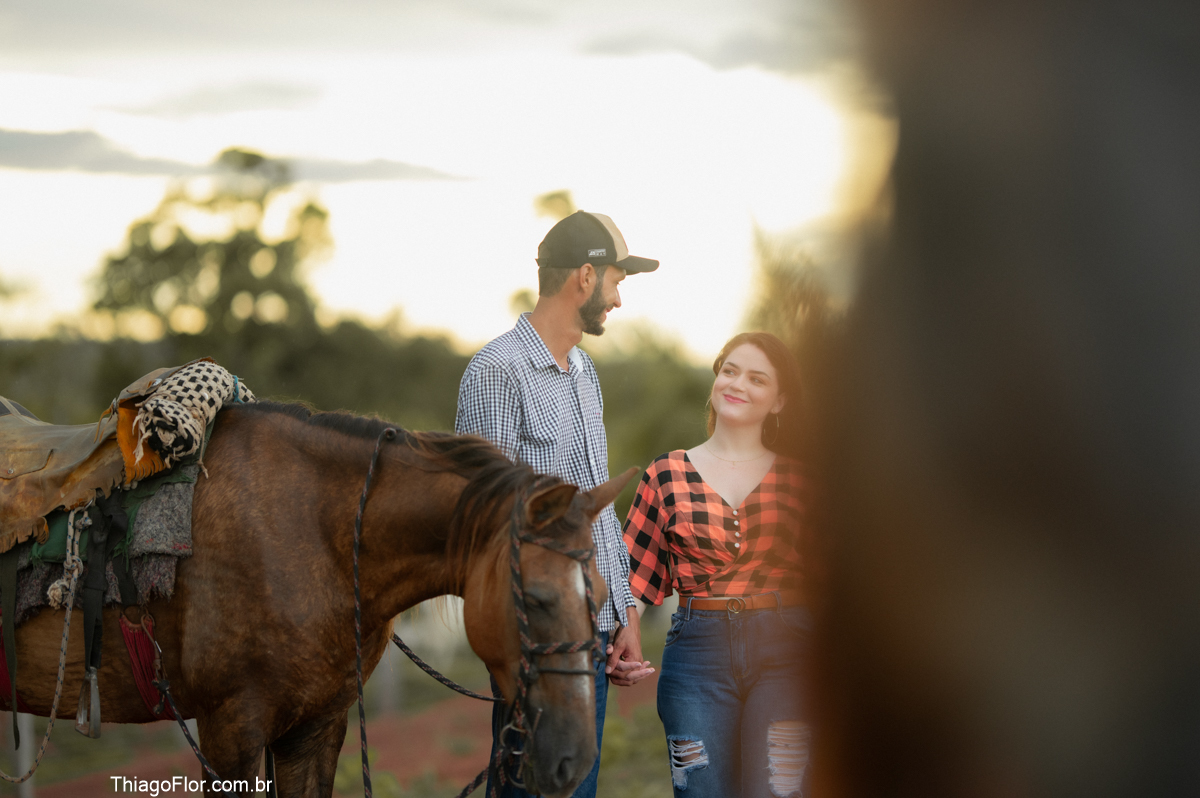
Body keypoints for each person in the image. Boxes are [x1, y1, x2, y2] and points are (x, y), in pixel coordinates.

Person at [456, 210, 659, 798]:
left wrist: (623, 613)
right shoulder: (496, 372)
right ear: (585, 278)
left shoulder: (585, 373)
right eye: (616, 282)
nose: (618, 300)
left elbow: (598, 508)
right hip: (541, 650)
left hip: (592, 639)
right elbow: (486, 527)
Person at [622, 331, 811, 798]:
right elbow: (635, 578)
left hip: (788, 654)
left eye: (757, 378)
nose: (738, 383)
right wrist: (625, 636)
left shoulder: (802, 479)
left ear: (779, 401)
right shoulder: (665, 473)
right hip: (696, 661)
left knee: (778, 792)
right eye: (730, 370)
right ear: (716, 378)